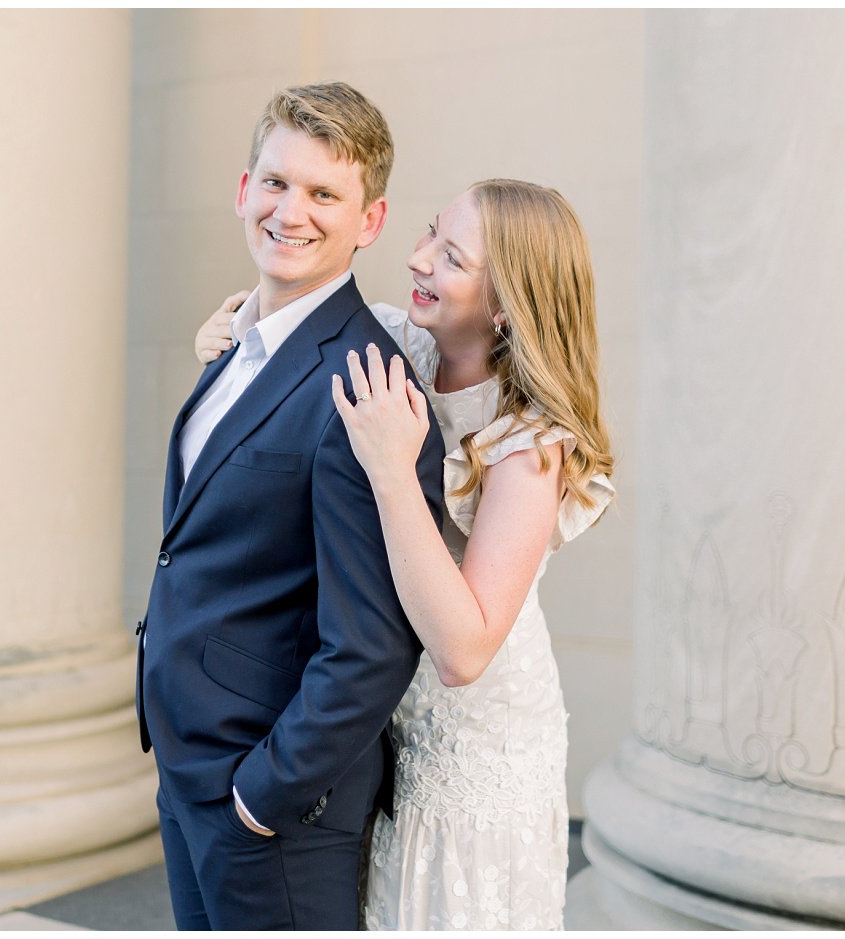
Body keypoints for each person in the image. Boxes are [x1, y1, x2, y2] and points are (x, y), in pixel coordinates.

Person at [195, 179, 615, 929]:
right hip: (385, 727)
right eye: (428, 234)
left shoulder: (530, 447)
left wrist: (393, 469)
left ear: (505, 305)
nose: (417, 259)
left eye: (450, 257)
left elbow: (463, 649)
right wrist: (228, 330)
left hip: (476, 749)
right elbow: (280, 324)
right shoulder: (396, 342)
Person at [136, 82, 446, 930]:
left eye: (324, 194)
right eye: (276, 183)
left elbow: (375, 643)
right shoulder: (239, 341)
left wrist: (261, 797)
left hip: (270, 806)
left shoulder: (364, 382)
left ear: (369, 221)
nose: (291, 212)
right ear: (243, 190)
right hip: (192, 766)